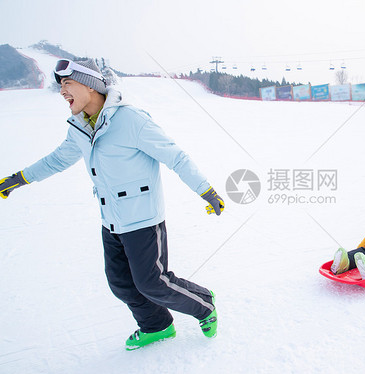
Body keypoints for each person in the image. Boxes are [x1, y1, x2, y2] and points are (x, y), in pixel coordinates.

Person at [0, 58, 225, 350]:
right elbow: (57, 160)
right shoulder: (79, 127)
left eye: (67, 84)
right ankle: (156, 326)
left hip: (143, 219)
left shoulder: (131, 120)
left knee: (152, 282)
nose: (62, 91)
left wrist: (206, 190)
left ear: (90, 86)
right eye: (60, 86)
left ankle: (204, 305)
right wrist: (19, 179)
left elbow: (175, 156)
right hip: (111, 220)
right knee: (120, 283)